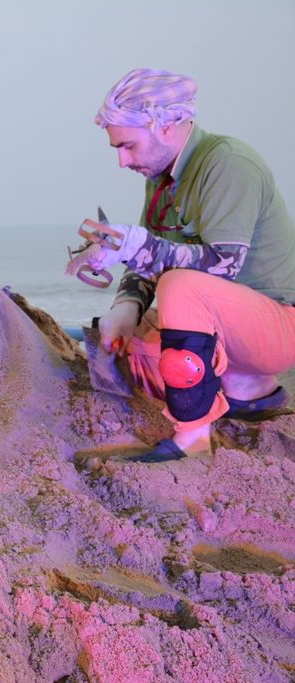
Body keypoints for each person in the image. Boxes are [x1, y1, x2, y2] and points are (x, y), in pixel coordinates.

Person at [68, 68, 295, 463]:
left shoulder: (228, 164)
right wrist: (126, 307)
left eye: (129, 146)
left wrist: (136, 245)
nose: (122, 161)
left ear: (167, 127)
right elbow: (148, 256)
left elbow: (222, 264)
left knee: (179, 287)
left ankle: (194, 437)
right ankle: (248, 392)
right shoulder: (161, 176)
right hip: (223, 324)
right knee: (131, 342)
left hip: (276, 325)